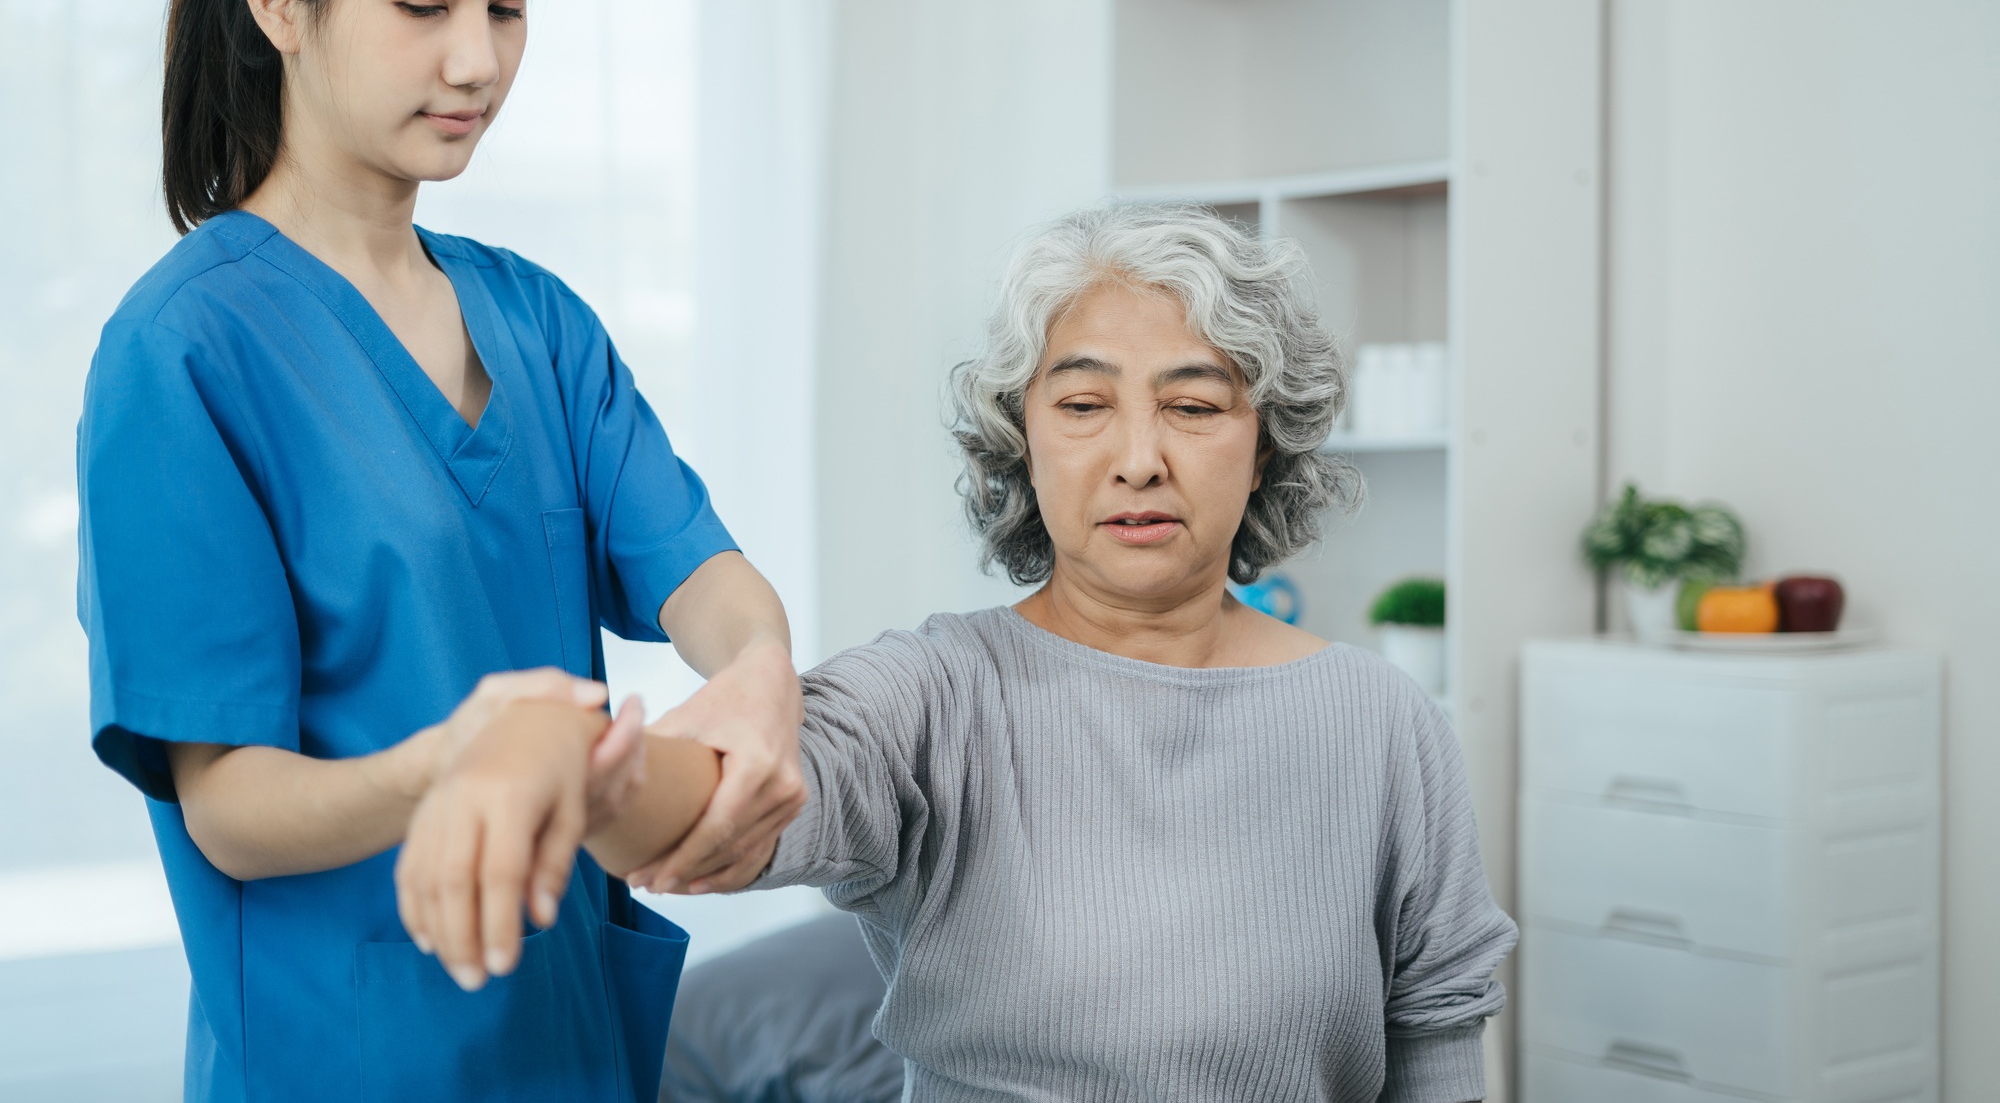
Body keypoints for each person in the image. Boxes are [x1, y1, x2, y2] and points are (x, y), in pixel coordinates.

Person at [402, 204, 1518, 1102]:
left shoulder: (1382, 725)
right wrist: (562, 751)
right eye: (1082, 403)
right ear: (1020, 439)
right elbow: (732, 790)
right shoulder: (933, 696)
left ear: (1261, 441)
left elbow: (1435, 1057)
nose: (1138, 457)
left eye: (1192, 404)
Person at [75, 0, 802, 1102]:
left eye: (508, 5)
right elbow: (230, 807)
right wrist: (461, 757)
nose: (478, 59)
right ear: (279, 3)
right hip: (348, 1058)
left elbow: (701, 570)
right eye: (427, 4)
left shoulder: (534, 317)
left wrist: (760, 669)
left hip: (569, 1038)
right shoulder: (185, 348)